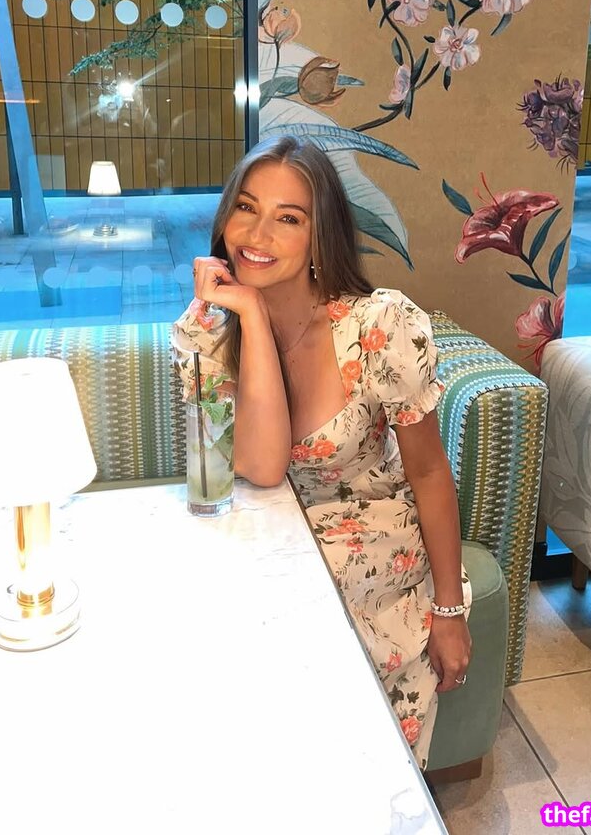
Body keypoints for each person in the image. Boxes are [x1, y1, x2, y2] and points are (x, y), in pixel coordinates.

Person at [171, 135, 471, 767]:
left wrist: (449, 612)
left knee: (355, 767)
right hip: (267, 545)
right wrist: (251, 317)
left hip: (372, 565)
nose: (257, 234)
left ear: (320, 235)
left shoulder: (379, 327)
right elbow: (261, 466)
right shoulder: (211, 329)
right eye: (246, 208)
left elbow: (427, 471)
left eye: (288, 218)